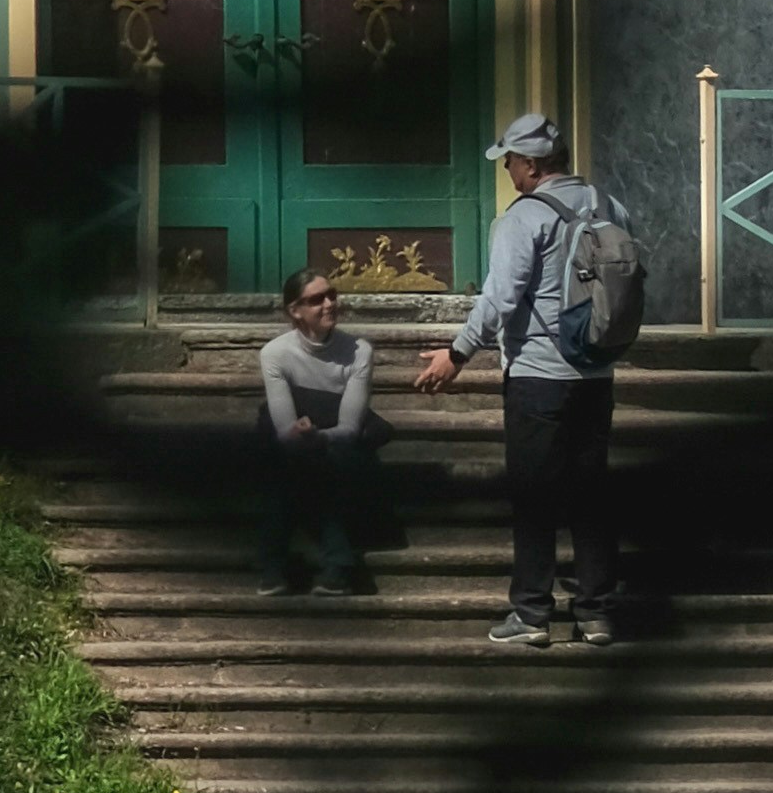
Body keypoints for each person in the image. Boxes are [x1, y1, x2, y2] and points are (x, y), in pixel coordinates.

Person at [417, 114, 627, 651]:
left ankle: (531, 613)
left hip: (539, 375)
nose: (507, 169)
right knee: (590, 496)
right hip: (596, 373)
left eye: (510, 160)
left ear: (531, 165)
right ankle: (597, 614)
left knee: (535, 496)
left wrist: (457, 353)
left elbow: (500, 298)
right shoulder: (609, 205)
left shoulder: (524, 217)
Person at [255, 263, 383, 595]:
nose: (329, 304)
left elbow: (350, 428)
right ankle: (338, 566)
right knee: (295, 462)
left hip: (339, 447)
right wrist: (301, 436)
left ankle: (273, 566)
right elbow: (284, 430)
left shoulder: (359, 352)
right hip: (295, 449)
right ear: (295, 311)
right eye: (316, 300)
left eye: (331, 295)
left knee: (309, 466)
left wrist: (316, 437)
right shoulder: (275, 354)